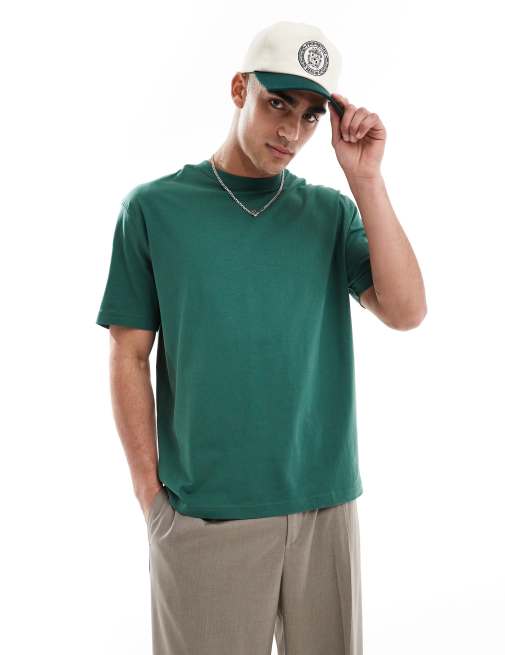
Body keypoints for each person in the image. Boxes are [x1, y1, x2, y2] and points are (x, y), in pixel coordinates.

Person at [95, 19, 426, 655]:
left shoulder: (330, 213)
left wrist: (366, 180)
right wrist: (151, 500)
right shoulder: (155, 209)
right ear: (239, 88)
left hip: (324, 508)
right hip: (205, 514)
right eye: (278, 104)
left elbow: (406, 311)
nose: (291, 132)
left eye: (309, 116)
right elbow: (128, 354)